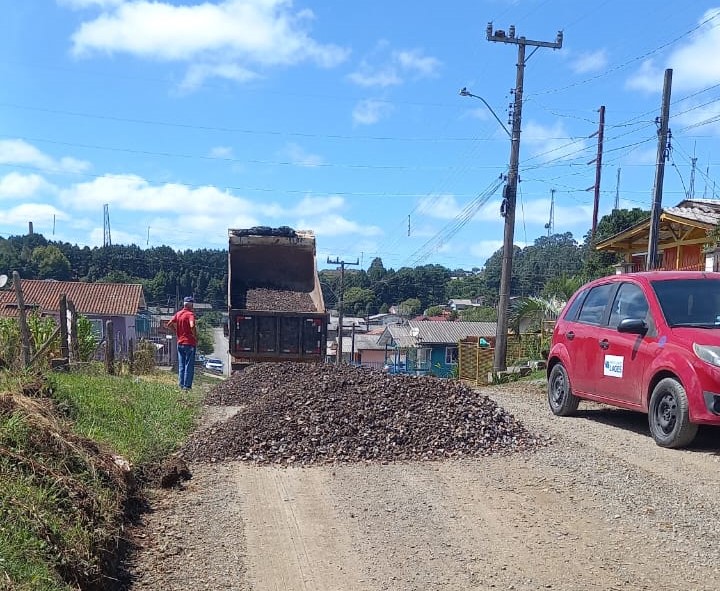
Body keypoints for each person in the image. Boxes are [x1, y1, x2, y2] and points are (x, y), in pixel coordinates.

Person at [166, 296, 198, 390]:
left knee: (181, 365)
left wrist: (176, 332)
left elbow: (169, 324)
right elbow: (192, 326)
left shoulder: (178, 314)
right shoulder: (190, 314)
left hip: (180, 342)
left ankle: (181, 385)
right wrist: (195, 336)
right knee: (189, 365)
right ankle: (187, 386)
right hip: (189, 343)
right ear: (191, 305)